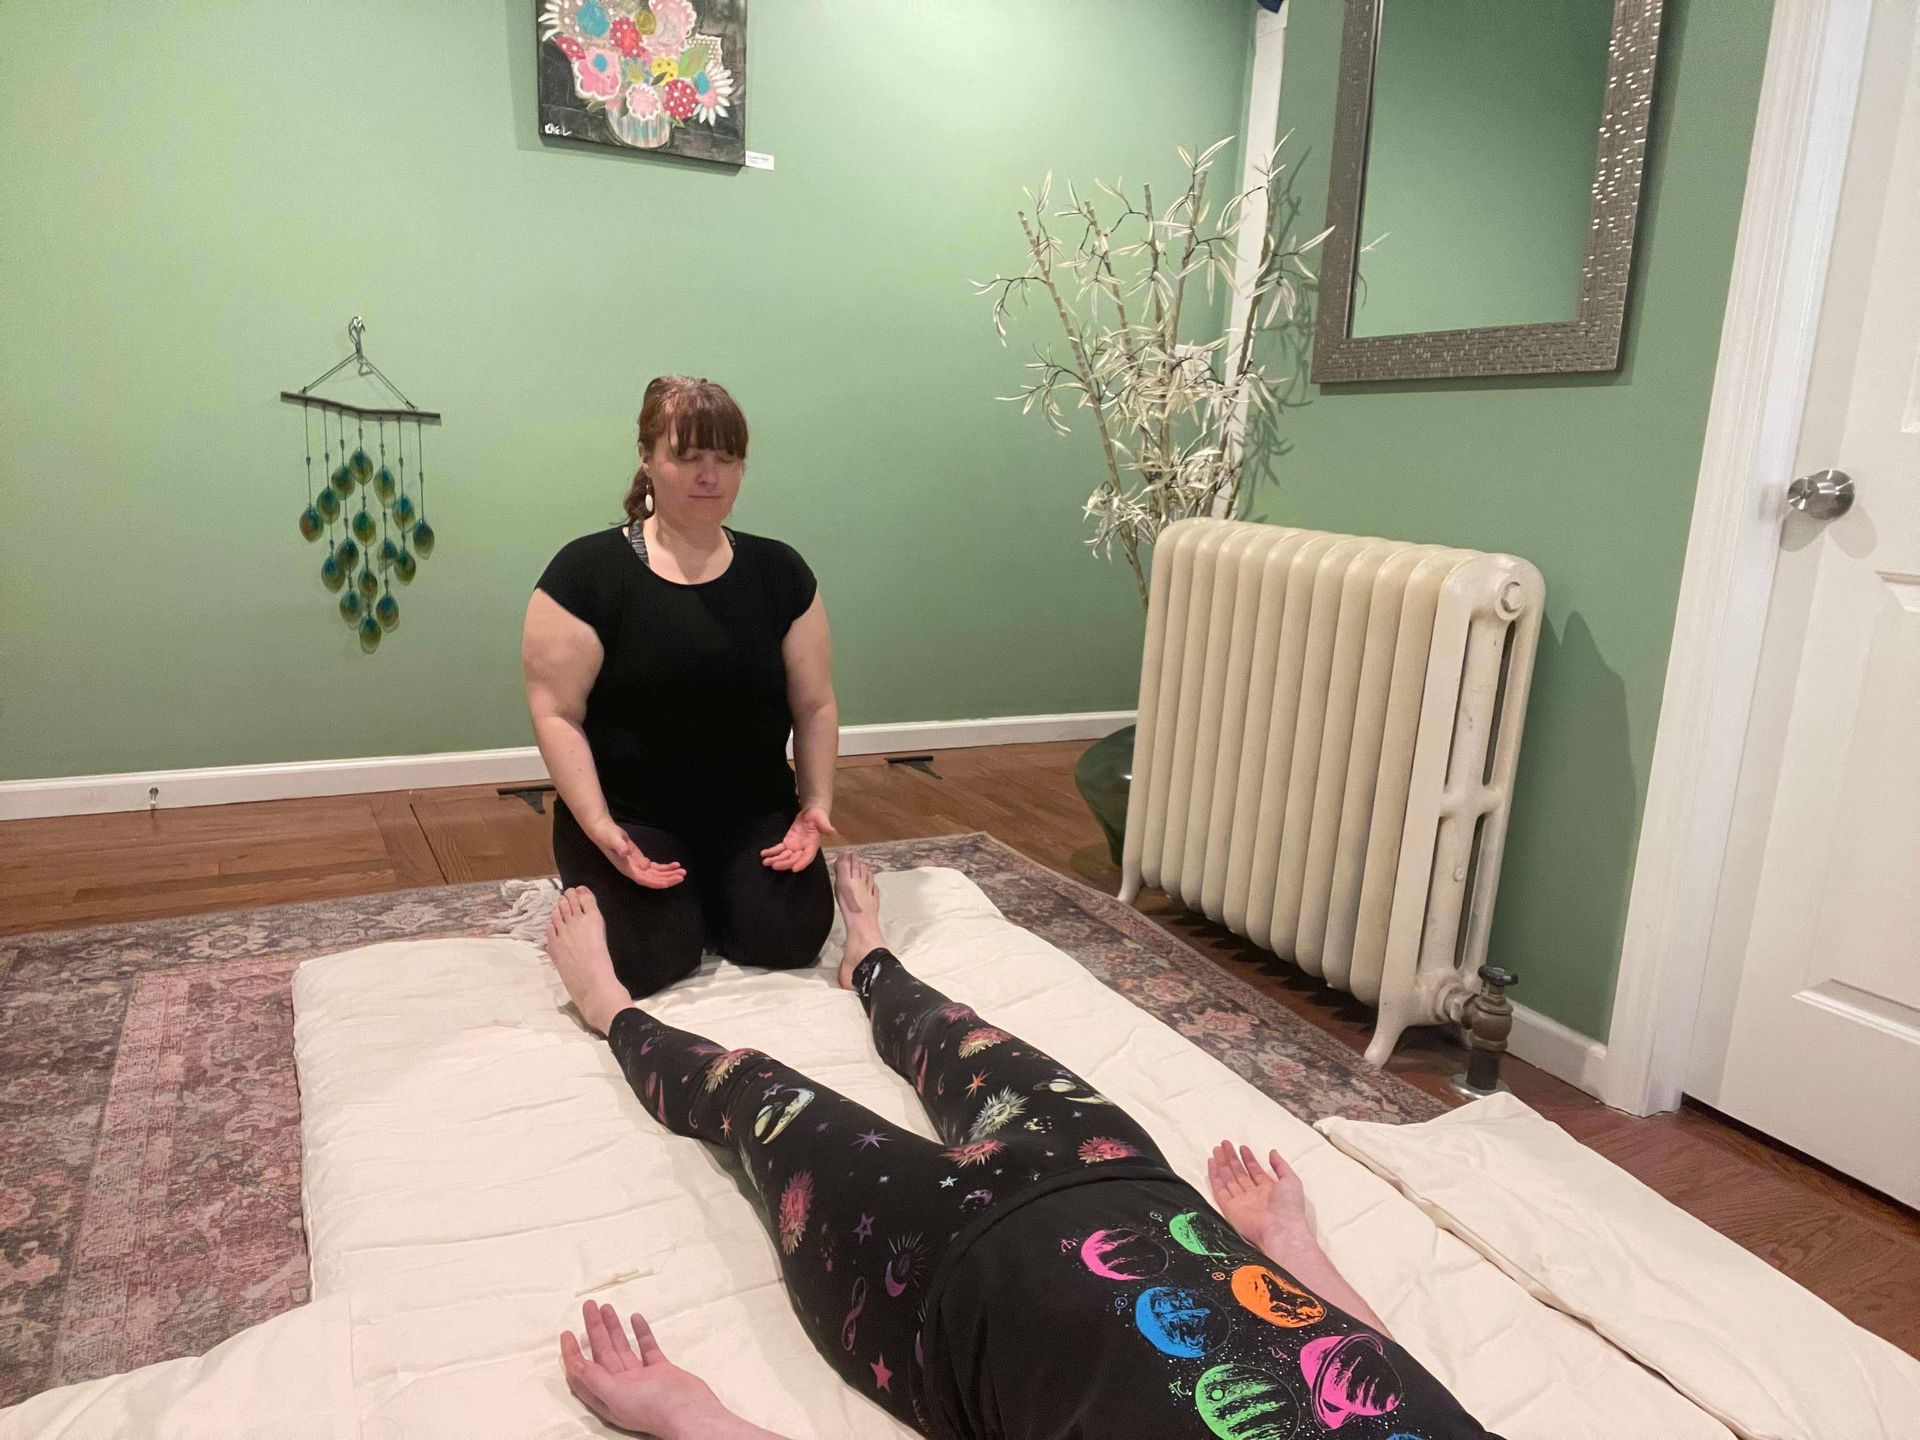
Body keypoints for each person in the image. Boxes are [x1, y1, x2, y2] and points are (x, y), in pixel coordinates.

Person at [545, 853, 1506, 1440]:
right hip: (1128, 1187)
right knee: (952, 1032)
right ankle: (872, 963)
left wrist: (688, 1416)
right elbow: (1379, 1372)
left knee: (755, 1092)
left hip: (930, 1280)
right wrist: (1288, 1248)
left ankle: (610, 1008)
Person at [523, 376, 837, 998]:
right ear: (647, 458)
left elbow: (815, 702)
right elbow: (556, 713)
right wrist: (598, 825)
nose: (708, 476)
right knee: (647, 960)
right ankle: (668, 894)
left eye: (725, 459)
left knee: (788, 939)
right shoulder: (585, 574)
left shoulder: (780, 571)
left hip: (751, 810)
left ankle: (720, 892)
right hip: (629, 816)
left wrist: (815, 805)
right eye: (687, 457)